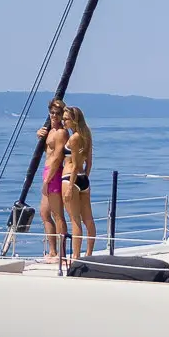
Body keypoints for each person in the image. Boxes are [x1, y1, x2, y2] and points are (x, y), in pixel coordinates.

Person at [37, 100, 70, 262]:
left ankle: (61, 253)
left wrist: (48, 179)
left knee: (58, 214)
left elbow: (57, 157)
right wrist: (39, 135)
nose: (55, 116)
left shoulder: (61, 133)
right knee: (44, 212)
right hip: (46, 171)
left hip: (54, 173)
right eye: (52, 113)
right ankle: (52, 251)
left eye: (58, 113)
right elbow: (48, 149)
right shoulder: (50, 130)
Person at [64, 107, 96, 259]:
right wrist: (85, 178)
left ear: (74, 120)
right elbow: (88, 162)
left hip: (71, 177)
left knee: (75, 220)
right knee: (88, 219)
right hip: (83, 179)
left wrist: (70, 186)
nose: (64, 121)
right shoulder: (87, 135)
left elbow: (75, 164)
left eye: (66, 119)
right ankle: (89, 253)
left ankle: (76, 256)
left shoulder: (74, 138)